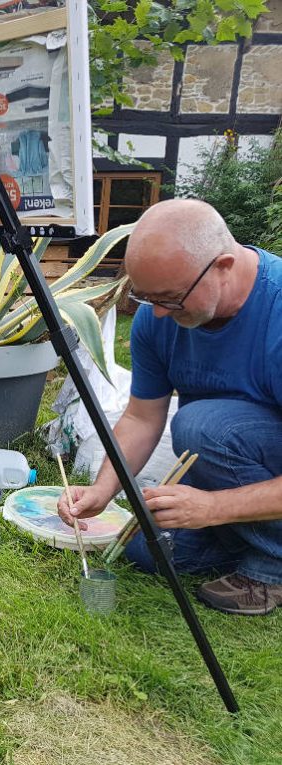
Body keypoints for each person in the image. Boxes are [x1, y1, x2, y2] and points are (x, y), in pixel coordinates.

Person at [57, 199, 282, 615]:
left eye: (171, 298)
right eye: (147, 299)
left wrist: (214, 508)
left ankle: (271, 566)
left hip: (240, 456)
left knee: (201, 426)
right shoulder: (158, 318)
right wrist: (103, 491)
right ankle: (247, 543)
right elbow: (142, 417)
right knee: (145, 549)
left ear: (224, 266)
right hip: (234, 473)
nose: (158, 312)